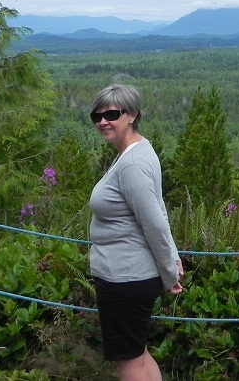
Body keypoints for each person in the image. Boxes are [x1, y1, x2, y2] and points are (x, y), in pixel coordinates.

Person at [88, 84, 183, 381]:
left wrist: (170, 272)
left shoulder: (132, 164)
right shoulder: (138, 151)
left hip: (125, 278)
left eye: (112, 114)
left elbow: (154, 223)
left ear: (132, 115)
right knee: (137, 354)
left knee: (128, 363)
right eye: (97, 116)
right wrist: (172, 259)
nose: (103, 122)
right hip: (130, 276)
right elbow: (159, 209)